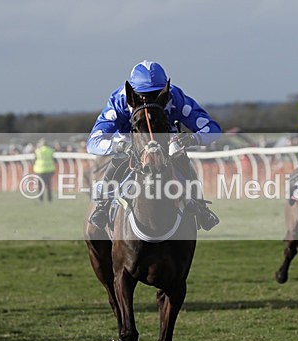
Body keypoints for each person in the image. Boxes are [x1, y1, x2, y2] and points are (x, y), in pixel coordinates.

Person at [86, 60, 222, 230]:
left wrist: (192, 139)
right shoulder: (119, 101)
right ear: (132, 93)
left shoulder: (175, 97)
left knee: (178, 154)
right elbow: (93, 142)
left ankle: (200, 206)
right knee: (119, 158)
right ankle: (103, 205)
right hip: (130, 141)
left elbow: (213, 129)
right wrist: (119, 146)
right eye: (143, 95)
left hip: (165, 140)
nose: (149, 100)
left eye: (157, 94)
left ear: (165, 90)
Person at [33, 138, 55, 202]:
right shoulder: (50, 150)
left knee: (40, 186)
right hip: (49, 170)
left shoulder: (38, 151)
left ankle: (40, 199)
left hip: (39, 171)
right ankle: (49, 199)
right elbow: (53, 159)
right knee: (48, 186)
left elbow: (34, 160)